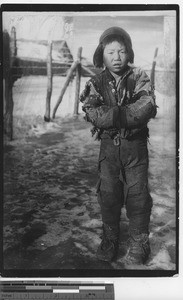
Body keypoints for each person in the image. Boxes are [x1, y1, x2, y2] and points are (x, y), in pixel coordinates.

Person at [80, 27, 157, 265]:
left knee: (138, 195)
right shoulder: (95, 83)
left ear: (129, 53)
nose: (116, 57)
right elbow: (92, 111)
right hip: (109, 150)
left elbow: (145, 107)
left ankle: (139, 241)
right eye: (111, 52)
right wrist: (123, 115)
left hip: (135, 149)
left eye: (122, 51)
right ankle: (110, 239)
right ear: (101, 54)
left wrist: (113, 115)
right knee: (109, 193)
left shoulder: (140, 77)